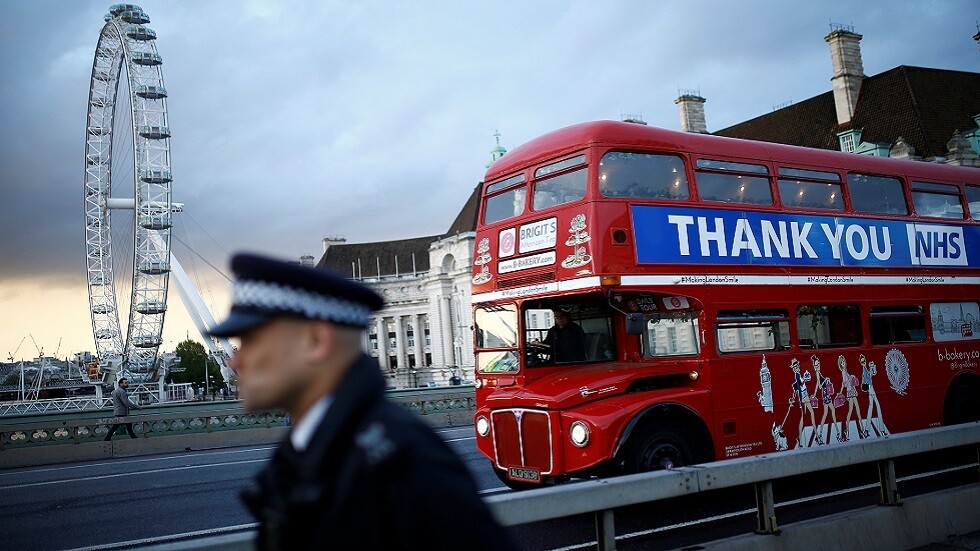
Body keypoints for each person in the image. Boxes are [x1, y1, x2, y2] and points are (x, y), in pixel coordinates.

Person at [208, 253, 518, 550]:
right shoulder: (302, 453)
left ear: (316, 341)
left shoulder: (404, 460)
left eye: (250, 341)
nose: (236, 362)